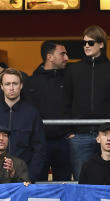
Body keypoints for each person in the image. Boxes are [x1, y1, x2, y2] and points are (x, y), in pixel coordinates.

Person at [65, 25, 110, 180]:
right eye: (85, 42)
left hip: (108, 133)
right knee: (82, 180)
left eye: (91, 43)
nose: (86, 46)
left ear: (101, 44)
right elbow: (66, 100)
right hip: (80, 135)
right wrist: (70, 130)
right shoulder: (74, 69)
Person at [0, 68, 46, 180]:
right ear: (1, 86)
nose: (11, 88)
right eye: (7, 84)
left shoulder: (32, 113)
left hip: (24, 175)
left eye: (15, 84)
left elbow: (39, 149)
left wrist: (29, 176)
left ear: (21, 85)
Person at [25, 41, 72, 181]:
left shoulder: (70, 79)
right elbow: (28, 111)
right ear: (50, 57)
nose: (67, 58)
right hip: (39, 143)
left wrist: (72, 130)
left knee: (64, 185)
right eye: (62, 54)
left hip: (64, 141)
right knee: (38, 184)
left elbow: (76, 105)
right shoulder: (31, 82)